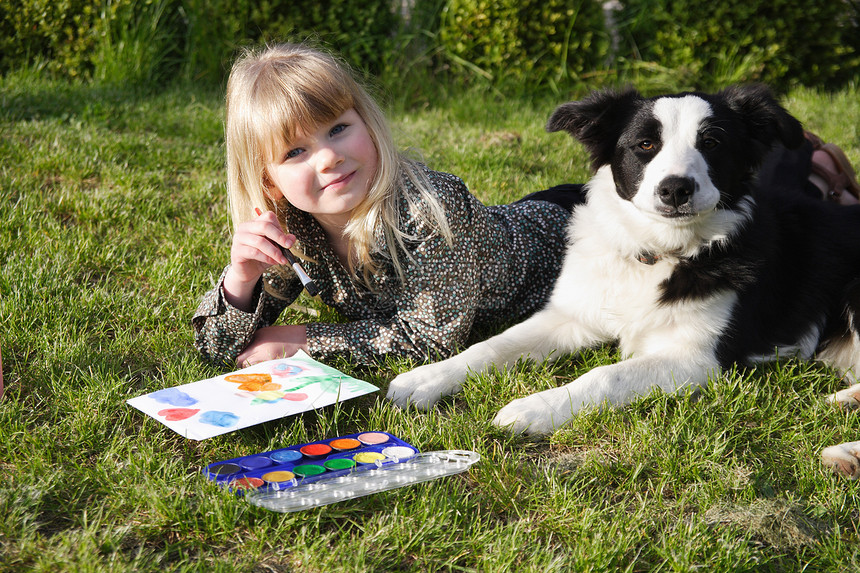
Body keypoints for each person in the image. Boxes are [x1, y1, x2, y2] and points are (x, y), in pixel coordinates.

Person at [193, 42, 860, 368]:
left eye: (338, 129)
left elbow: (430, 338)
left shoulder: (432, 209)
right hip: (515, 223)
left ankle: (813, 168)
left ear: (369, 125)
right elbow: (219, 344)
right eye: (296, 152)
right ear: (269, 180)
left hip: (554, 233)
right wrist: (241, 281)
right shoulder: (293, 233)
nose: (328, 158)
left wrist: (309, 341)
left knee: (744, 196)